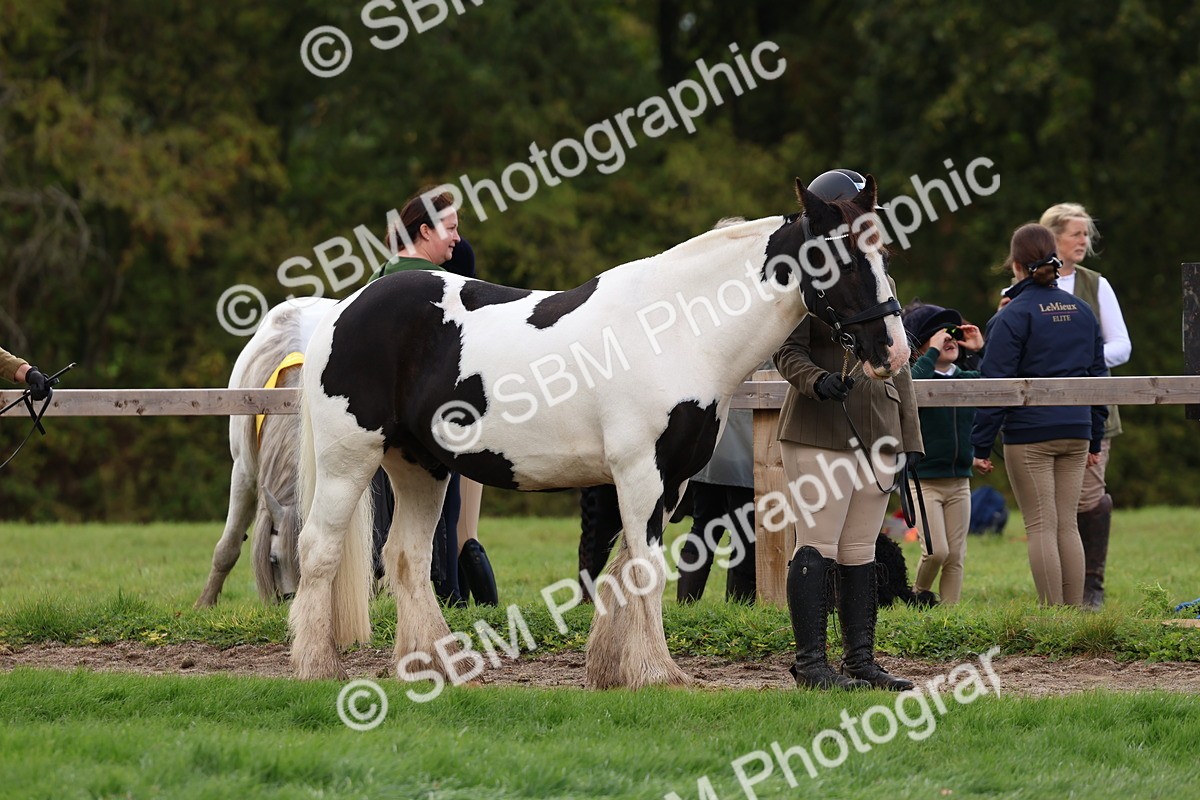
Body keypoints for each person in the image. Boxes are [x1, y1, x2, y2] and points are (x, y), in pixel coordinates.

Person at [775, 168, 923, 692]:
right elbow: (785, 351)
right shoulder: (806, 276)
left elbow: (900, 362)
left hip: (878, 426)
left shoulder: (878, 271)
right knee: (818, 543)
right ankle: (811, 664)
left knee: (861, 548)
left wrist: (909, 439)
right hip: (821, 425)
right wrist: (817, 381)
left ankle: (861, 660)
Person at [367, 189, 498, 606]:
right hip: (432, 431)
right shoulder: (439, 289)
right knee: (439, 523)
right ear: (425, 231)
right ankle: (447, 604)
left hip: (379, 431)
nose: (458, 238)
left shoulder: (375, 284)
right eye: (452, 228)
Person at [972, 223, 1107, 607]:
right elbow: (1099, 380)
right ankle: (1074, 612)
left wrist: (981, 444)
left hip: (1030, 435)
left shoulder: (1012, 317)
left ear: (1015, 265)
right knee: (1068, 524)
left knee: (1041, 525)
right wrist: (1095, 436)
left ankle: (1053, 615)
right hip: (1077, 429)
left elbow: (995, 386)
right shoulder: (1083, 312)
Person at [1038, 203, 1129, 609]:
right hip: (1040, 411)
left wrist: (1079, 363)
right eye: (1076, 233)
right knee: (1049, 506)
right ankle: (1058, 588)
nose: (1083, 241)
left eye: (1086, 235)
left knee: (1087, 498)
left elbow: (1121, 346)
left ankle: (1092, 585)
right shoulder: (1026, 285)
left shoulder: (1096, 284)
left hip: (1092, 409)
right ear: (1053, 237)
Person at [901, 302, 984, 605]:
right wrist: (931, 353)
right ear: (920, 346)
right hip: (924, 480)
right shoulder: (916, 373)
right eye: (937, 336)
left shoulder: (964, 376)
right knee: (937, 551)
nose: (948, 339)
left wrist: (977, 351)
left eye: (952, 333)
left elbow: (992, 382)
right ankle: (918, 594)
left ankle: (951, 615)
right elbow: (912, 388)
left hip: (959, 479)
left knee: (956, 555)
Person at [675, 406, 757, 604]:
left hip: (711, 445)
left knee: (704, 526)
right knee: (744, 533)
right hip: (746, 445)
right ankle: (739, 612)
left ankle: (685, 606)